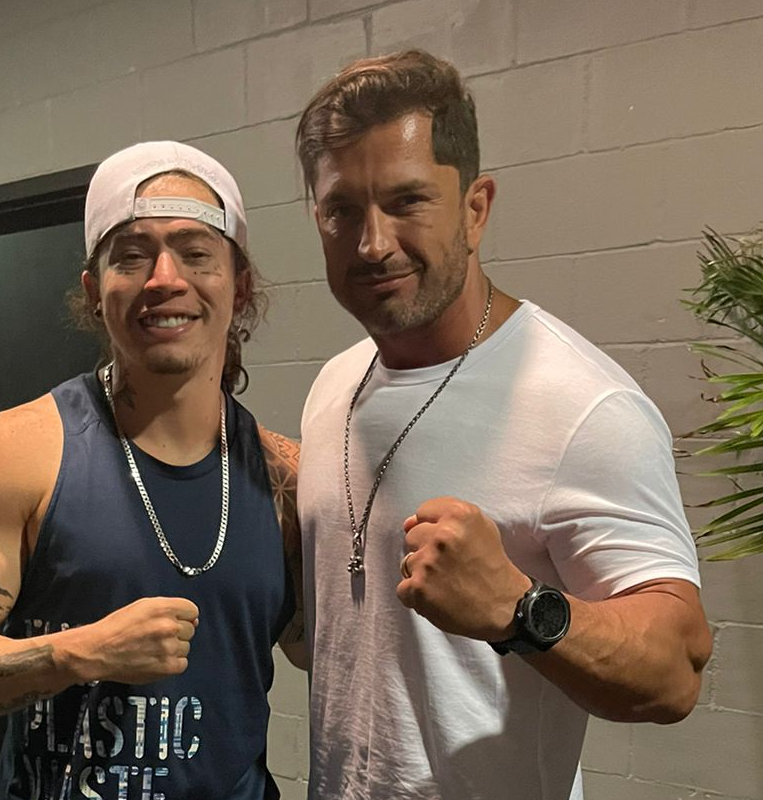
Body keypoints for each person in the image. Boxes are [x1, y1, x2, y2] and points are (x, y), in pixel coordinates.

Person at [294, 50, 712, 800]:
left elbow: (676, 671)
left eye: (407, 201)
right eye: (342, 210)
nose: (373, 243)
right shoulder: (333, 388)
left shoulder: (582, 405)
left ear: (476, 208)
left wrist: (519, 610)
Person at [0, 140, 305, 800]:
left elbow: (331, 656)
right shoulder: (16, 451)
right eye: (132, 254)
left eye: (196, 253)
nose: (165, 278)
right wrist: (79, 652)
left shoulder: (286, 478)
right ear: (95, 291)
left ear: (239, 286)